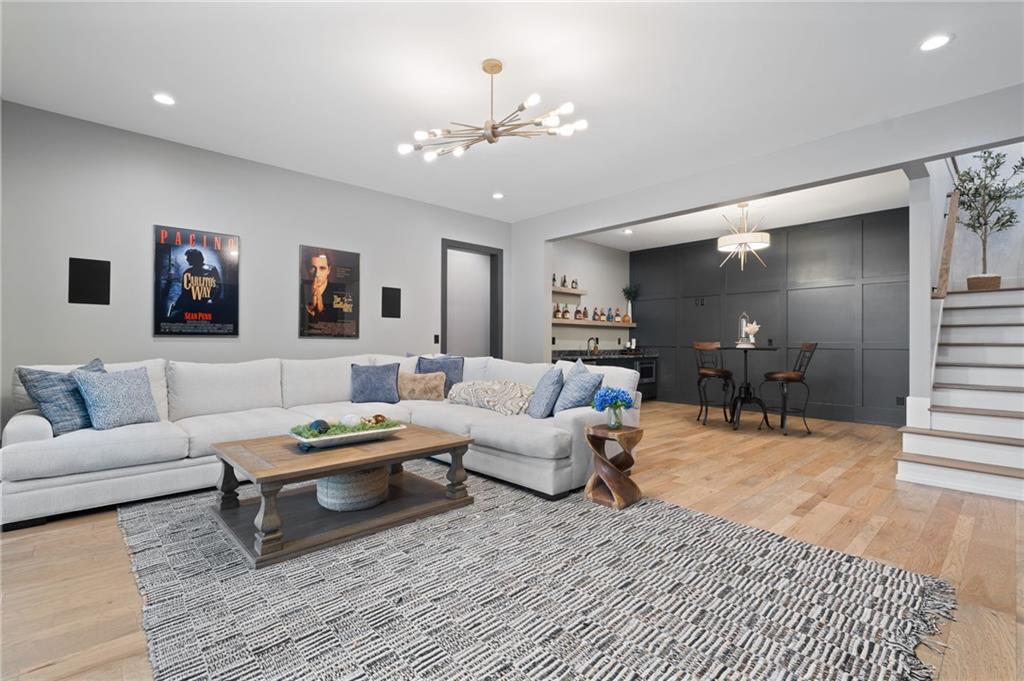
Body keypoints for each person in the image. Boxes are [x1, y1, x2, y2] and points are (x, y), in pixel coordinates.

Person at [169, 248, 221, 319]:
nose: (187, 259)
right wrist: (177, 305)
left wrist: (212, 300)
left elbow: (218, 287)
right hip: (192, 306)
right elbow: (185, 292)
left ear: (195, 258)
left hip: (208, 305)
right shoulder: (188, 272)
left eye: (189, 257)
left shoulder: (211, 269)